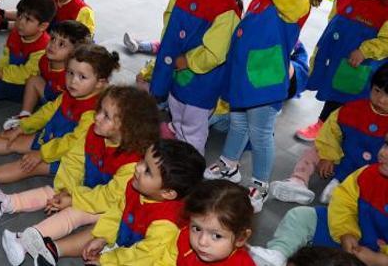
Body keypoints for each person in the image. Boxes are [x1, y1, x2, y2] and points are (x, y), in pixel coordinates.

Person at [206, 0, 325, 213]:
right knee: (238, 124)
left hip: (263, 83)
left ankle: (260, 184)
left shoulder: (295, 3)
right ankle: (229, 164)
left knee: (260, 134)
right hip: (244, 79)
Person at [0, 86, 160, 265]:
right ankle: (6, 203)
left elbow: (108, 197)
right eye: (100, 110)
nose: (96, 117)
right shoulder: (94, 132)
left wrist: (74, 198)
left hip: (111, 207)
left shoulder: (133, 163)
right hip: (89, 193)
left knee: (76, 213)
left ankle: (24, 243)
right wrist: (66, 190)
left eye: (106, 116)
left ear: (127, 129)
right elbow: (74, 161)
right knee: (55, 193)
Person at [0, 44, 120, 192]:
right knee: (14, 140)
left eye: (82, 77)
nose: (72, 81)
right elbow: (48, 111)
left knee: (28, 166)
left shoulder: (95, 112)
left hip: (69, 158)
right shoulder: (72, 93)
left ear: (100, 83)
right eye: (70, 73)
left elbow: (72, 142)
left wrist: (41, 154)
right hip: (51, 138)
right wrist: (22, 127)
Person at [147, 0, 243, 156]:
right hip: (176, 69)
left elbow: (216, 52)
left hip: (202, 81)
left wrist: (188, 60)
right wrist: (170, 49)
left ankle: (190, 162)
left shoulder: (225, 9)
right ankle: (177, 139)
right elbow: (169, 19)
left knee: (193, 125)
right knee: (176, 108)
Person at [28, 139, 206, 265]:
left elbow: (142, 257)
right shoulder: (138, 185)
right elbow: (119, 210)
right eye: (143, 160)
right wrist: (103, 237)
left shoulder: (166, 224)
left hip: (142, 259)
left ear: (167, 193)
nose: (138, 167)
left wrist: (107, 261)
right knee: (96, 231)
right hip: (128, 239)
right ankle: (54, 250)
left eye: (148, 171)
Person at [249, 133, 388, 266]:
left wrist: (380, 260)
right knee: (301, 216)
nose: (383, 153)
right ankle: (277, 256)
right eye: (386, 144)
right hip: (350, 234)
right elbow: (344, 201)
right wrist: (346, 232)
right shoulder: (367, 173)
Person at [298, 0, 388, 142]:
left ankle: (339, 131)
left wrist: (365, 51)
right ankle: (324, 125)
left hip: (359, 65)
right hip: (336, 58)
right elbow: (334, 24)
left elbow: (386, 41)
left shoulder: (384, 8)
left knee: (350, 100)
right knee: (332, 93)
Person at [271, 62, 388, 206]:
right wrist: (329, 156)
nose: (381, 99)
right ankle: (298, 181)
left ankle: (344, 193)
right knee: (315, 150)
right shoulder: (351, 109)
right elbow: (330, 133)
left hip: (374, 168)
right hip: (342, 157)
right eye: (377, 91)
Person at [2, 20, 91, 130]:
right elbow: (42, 76)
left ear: (75, 53)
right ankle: (24, 114)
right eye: (53, 38)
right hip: (50, 93)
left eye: (61, 44)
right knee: (33, 80)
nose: (53, 45)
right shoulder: (44, 60)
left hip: (64, 106)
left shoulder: (72, 77)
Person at [154, 180, 255, 265]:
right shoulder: (183, 237)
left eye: (216, 236)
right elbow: (166, 261)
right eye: (197, 229)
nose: (202, 242)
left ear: (241, 238)